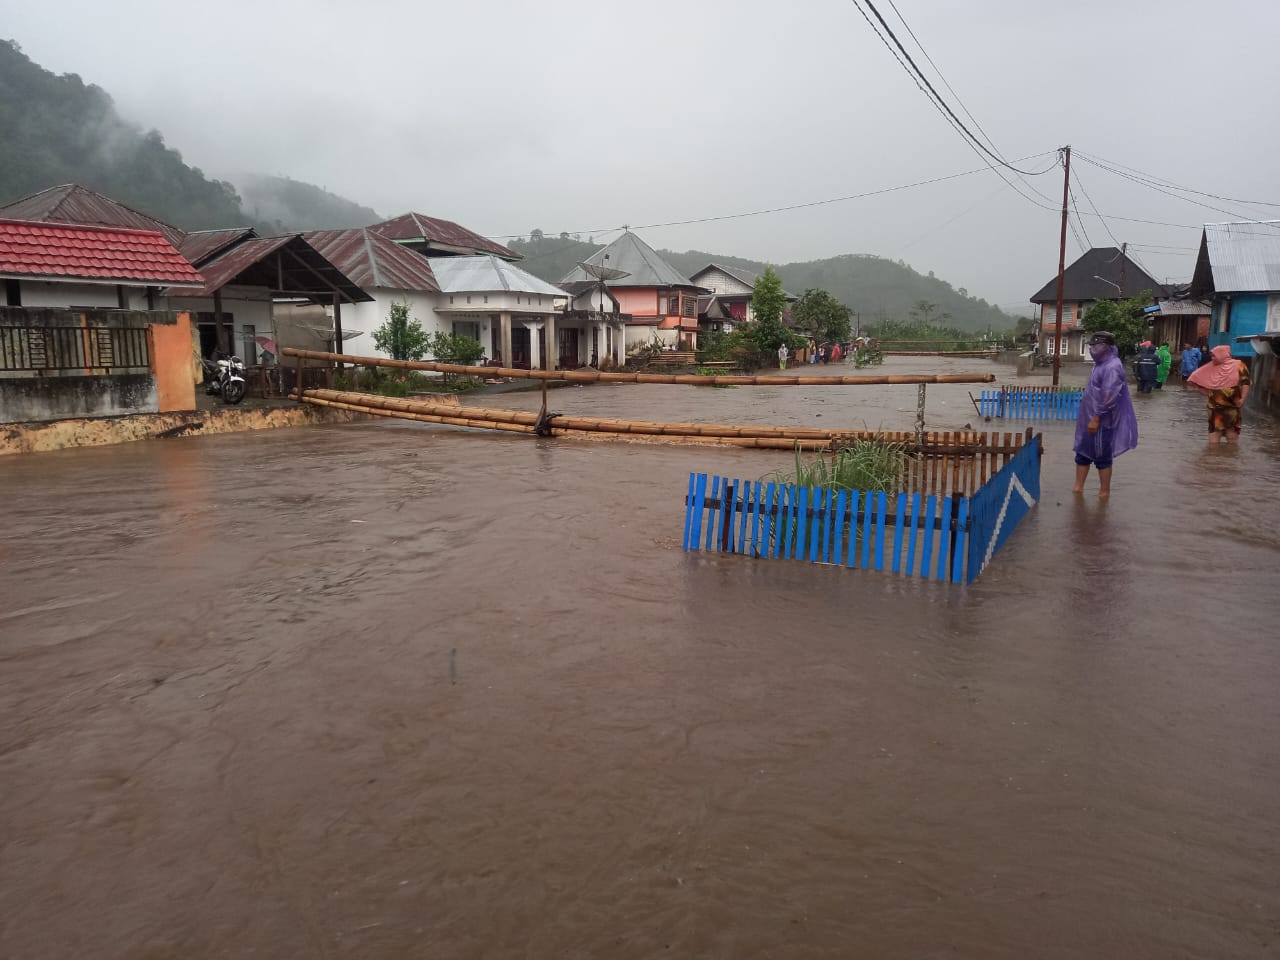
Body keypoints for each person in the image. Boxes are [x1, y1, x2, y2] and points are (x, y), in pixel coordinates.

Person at [1073, 331, 1138, 498]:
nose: (1092, 349)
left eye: (1096, 346)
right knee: (1082, 453)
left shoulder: (1112, 366)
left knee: (1102, 456)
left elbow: (1109, 396)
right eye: (1091, 346)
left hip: (1102, 421)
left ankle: (1104, 493)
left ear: (1106, 347)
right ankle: (1078, 489)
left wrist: (1096, 418)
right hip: (1089, 419)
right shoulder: (1099, 364)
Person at [1186, 345, 1251, 445]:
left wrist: (1242, 399)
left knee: (1231, 432)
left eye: (1214, 356)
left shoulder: (1239, 365)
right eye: (1212, 356)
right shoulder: (1211, 366)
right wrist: (1207, 391)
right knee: (1214, 433)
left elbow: (1246, 383)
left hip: (1232, 406)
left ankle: (1230, 457)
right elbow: (1194, 377)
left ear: (1222, 355)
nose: (1212, 358)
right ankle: (1214, 457)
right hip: (1214, 407)